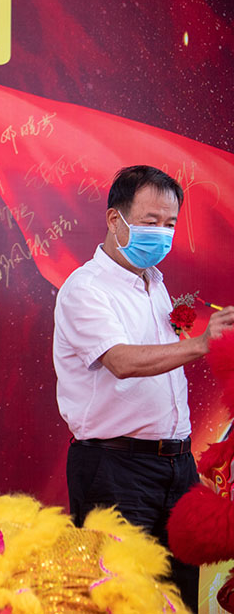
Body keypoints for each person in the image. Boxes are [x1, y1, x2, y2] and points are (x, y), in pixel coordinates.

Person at [54, 165, 234, 611]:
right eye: (150, 221)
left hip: (176, 467)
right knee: (121, 596)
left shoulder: (154, 283)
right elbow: (121, 361)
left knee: (179, 596)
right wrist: (201, 344)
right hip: (114, 468)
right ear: (115, 219)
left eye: (170, 224)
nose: (162, 234)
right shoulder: (85, 289)